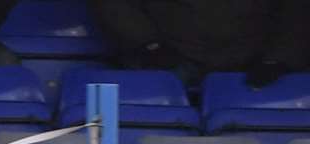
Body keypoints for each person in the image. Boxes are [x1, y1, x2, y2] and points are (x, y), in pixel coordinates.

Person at [94, 0, 310, 86]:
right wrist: (149, 45)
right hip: (162, 60)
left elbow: (296, 12)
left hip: (254, 62)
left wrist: (277, 60)